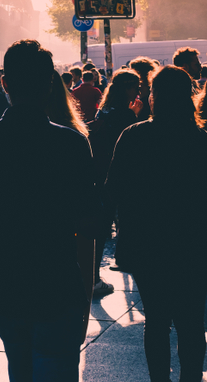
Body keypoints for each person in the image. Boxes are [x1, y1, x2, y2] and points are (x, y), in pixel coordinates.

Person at [0, 40, 97, 382]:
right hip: (58, 278)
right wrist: (85, 292)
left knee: (20, 366)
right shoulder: (71, 144)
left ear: (5, 84)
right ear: (49, 84)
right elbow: (87, 225)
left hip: (5, 282)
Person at [106, 65, 207, 382]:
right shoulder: (200, 141)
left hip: (146, 245)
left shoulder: (135, 137)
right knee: (191, 322)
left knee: (157, 321)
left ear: (156, 96)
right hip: (193, 244)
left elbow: (113, 191)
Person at [87, 68, 141, 298]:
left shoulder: (105, 110)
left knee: (102, 224)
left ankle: (93, 274)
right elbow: (131, 147)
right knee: (118, 220)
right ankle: (99, 274)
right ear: (127, 88)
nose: (138, 91)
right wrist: (136, 116)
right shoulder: (126, 115)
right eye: (135, 87)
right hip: (118, 174)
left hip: (100, 173)